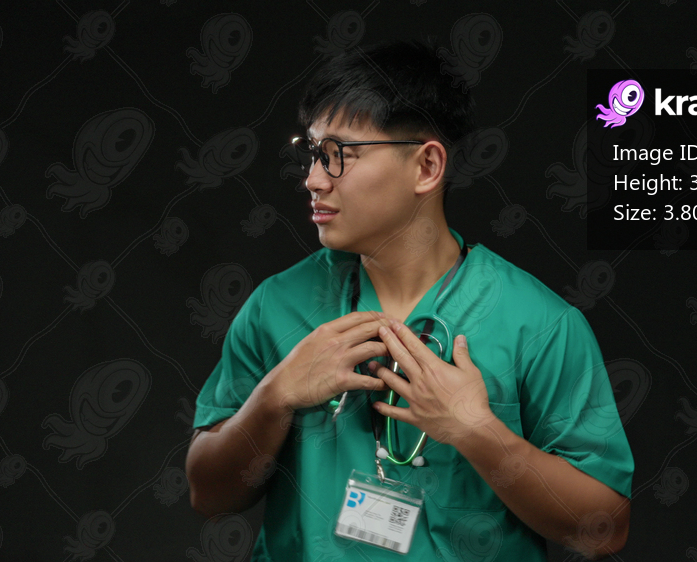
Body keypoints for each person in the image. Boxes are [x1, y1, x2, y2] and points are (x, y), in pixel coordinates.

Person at [185, 38, 633, 561]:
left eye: (339, 155)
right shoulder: (277, 306)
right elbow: (209, 496)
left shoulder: (539, 325)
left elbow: (604, 532)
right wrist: (274, 396)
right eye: (313, 152)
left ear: (426, 167)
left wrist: (478, 432)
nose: (312, 179)